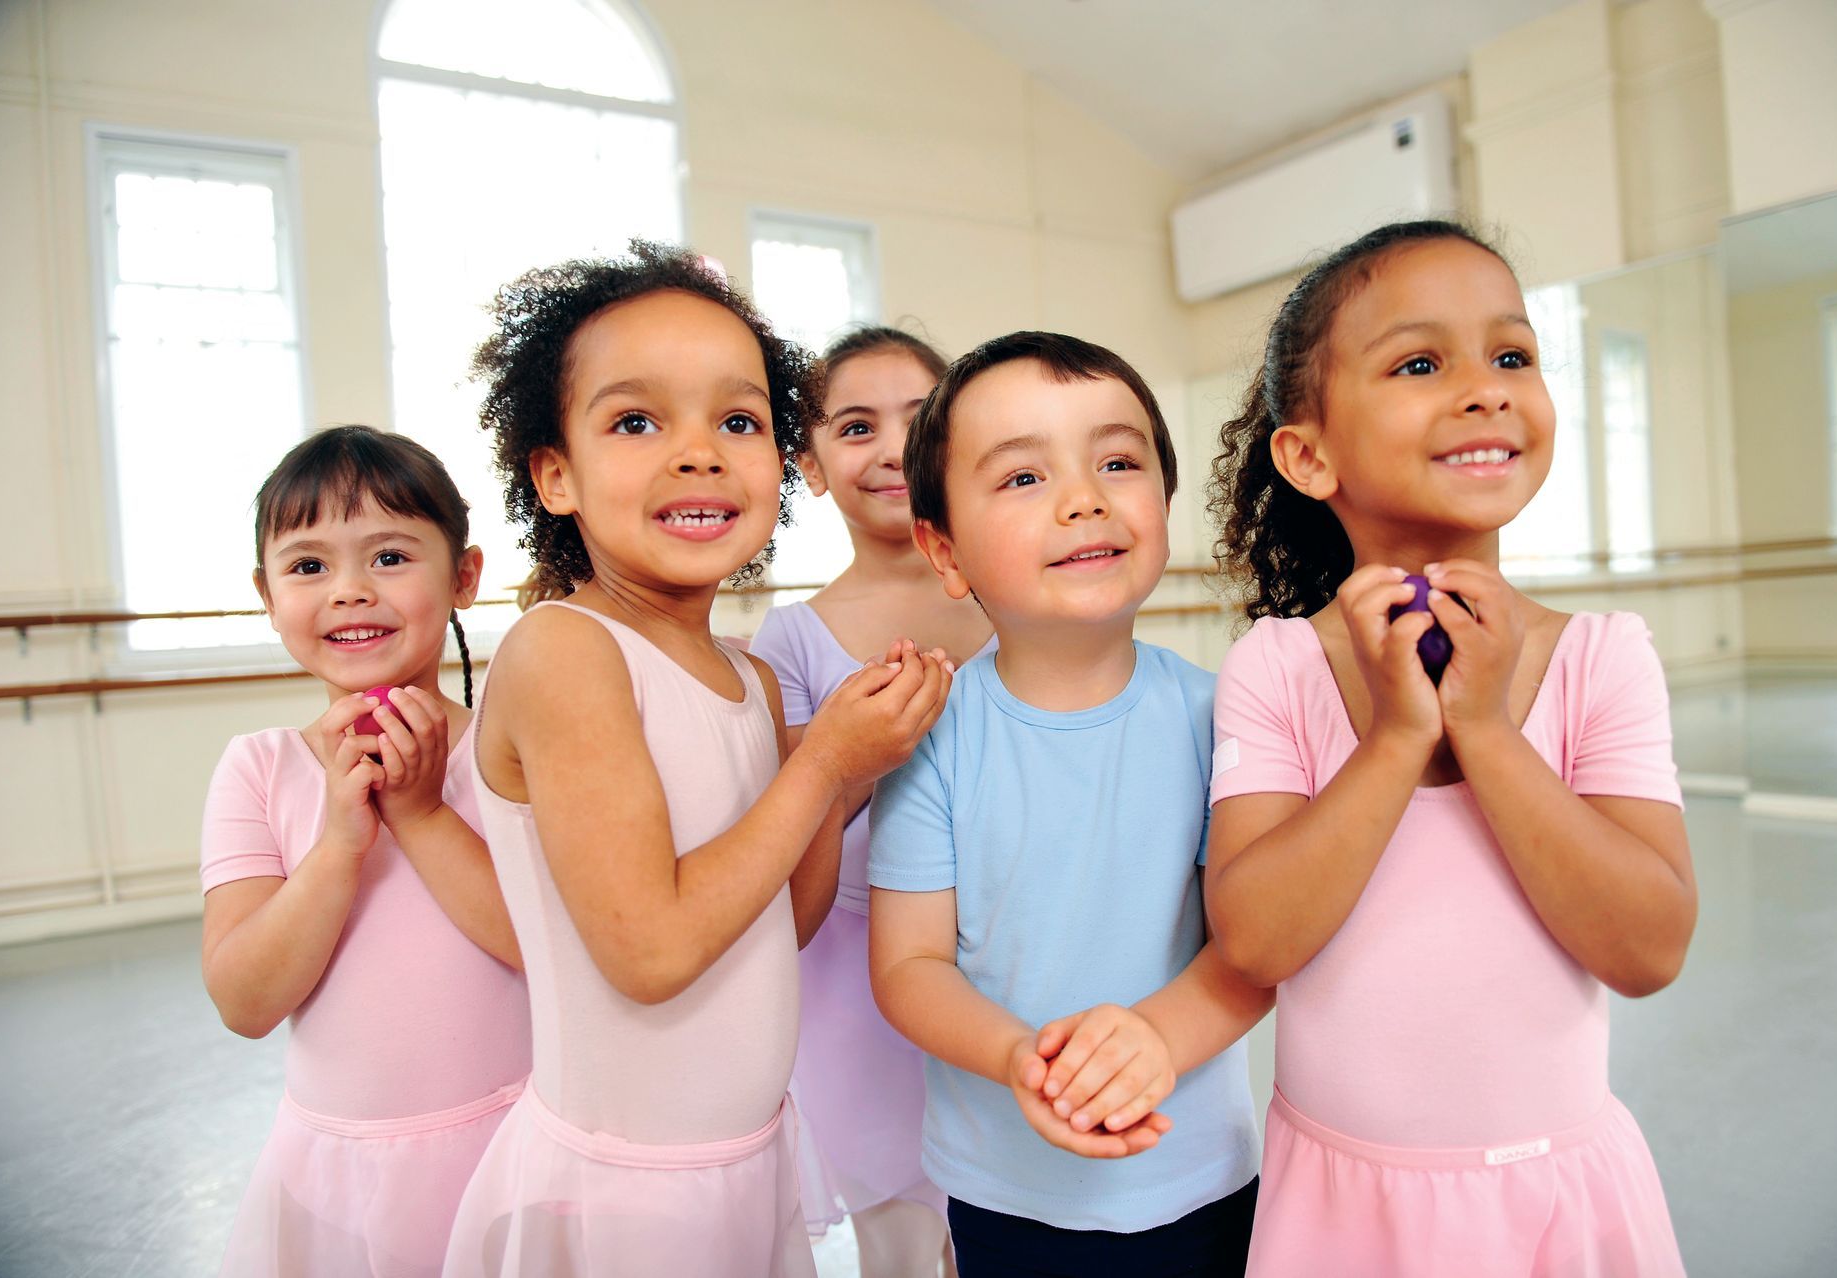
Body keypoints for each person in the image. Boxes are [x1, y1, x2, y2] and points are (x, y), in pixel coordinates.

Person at [442, 242, 952, 1277]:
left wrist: (854, 766)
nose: (700, 453)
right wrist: (821, 768)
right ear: (555, 474)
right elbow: (654, 951)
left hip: (747, 1160)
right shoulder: (565, 652)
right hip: (627, 1190)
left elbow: (780, 922)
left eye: (738, 421)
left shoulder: (751, 679)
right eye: (636, 421)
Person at [1204, 219, 1696, 1276]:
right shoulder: (1279, 669)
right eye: (1422, 363)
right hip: (1342, 1209)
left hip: (1557, 1201)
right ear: (1308, 453)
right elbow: (1254, 941)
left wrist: (1483, 728)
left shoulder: (1603, 659)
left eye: (1512, 355)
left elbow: (1648, 949)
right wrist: (1393, 740)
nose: (1485, 389)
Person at [868, 332, 1269, 1277]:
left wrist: (1157, 1043)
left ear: (1165, 507)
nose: (1084, 496)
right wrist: (1021, 1059)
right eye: (1020, 478)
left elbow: (1256, 949)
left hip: (1199, 1175)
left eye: (1118, 461)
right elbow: (909, 965)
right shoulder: (931, 732)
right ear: (944, 550)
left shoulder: (1228, 716)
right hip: (1005, 1190)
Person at [201, 425, 528, 1277]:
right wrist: (343, 839)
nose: (349, 591)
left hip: (516, 1155)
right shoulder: (258, 769)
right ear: (267, 593)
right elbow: (245, 1001)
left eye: (389, 556)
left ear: (463, 577)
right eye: (309, 566)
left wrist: (419, 814)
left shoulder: (511, 749)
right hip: (341, 1180)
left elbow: (544, 948)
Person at [748, 325, 991, 1275]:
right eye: (855, 427)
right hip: (857, 987)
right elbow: (788, 818)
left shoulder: (1015, 603)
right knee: (902, 1238)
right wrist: (867, 745)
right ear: (807, 464)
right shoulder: (793, 639)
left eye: (918, 419)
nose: (891, 448)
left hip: (1013, 952)